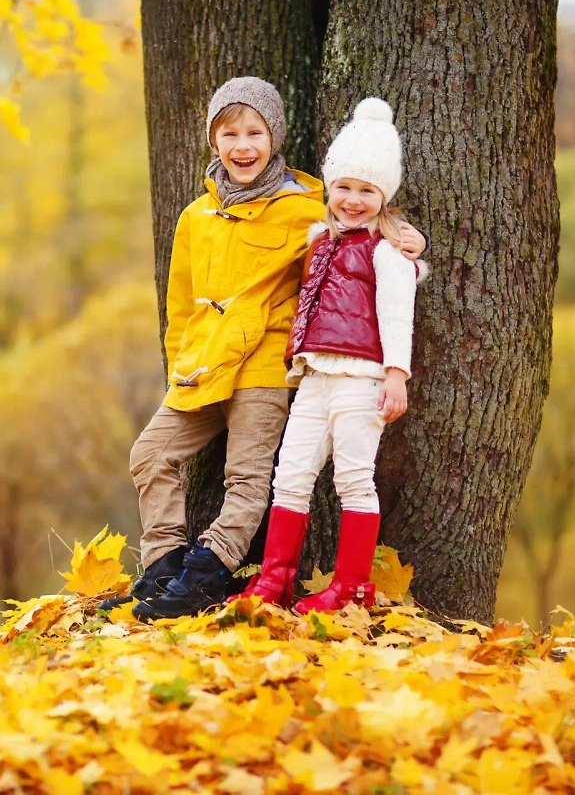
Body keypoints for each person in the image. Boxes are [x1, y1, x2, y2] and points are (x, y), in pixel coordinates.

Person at [101, 78, 426, 621]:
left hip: (266, 363)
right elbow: (180, 303)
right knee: (150, 455)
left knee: (248, 477)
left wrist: (415, 243)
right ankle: (164, 567)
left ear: (273, 136)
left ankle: (207, 572)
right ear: (214, 141)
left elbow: (360, 230)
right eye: (229, 133)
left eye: (255, 132)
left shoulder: (304, 208)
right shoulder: (195, 217)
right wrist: (182, 363)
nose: (243, 145)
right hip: (203, 364)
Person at [230, 97, 427, 614]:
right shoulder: (320, 239)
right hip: (315, 375)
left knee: (354, 478)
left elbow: (396, 316)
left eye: (367, 191)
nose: (353, 200)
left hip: (362, 379)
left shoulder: (389, 251)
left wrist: (396, 375)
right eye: (344, 187)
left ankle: (352, 588)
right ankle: (276, 580)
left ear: (384, 196)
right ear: (329, 187)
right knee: (290, 474)